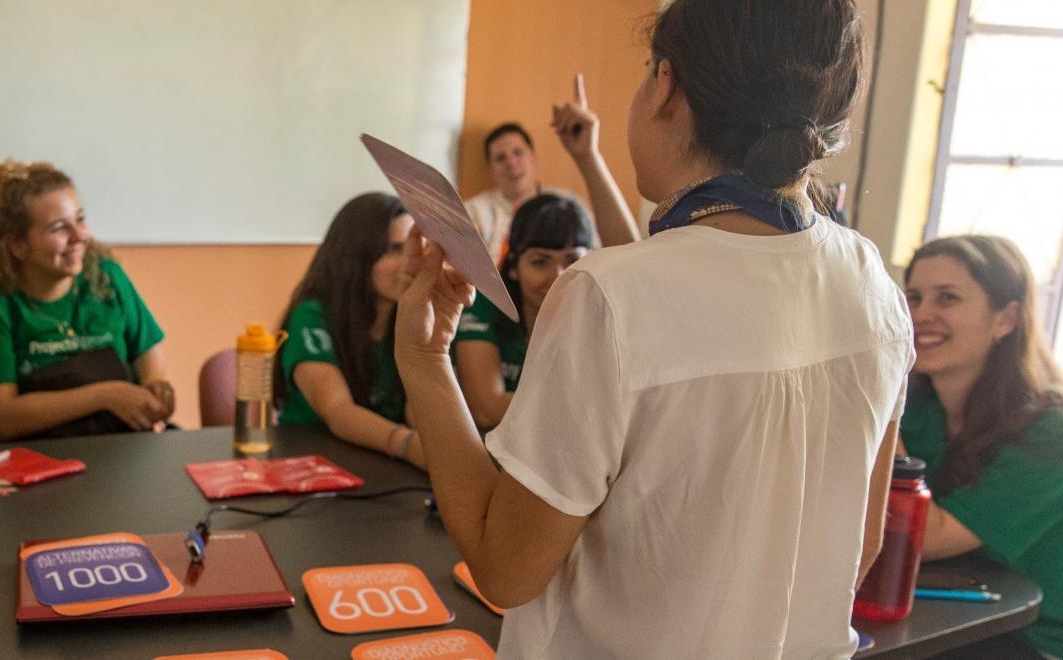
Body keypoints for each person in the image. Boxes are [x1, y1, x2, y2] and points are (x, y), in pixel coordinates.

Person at [394, 0, 913, 656]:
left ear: (666, 87)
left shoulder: (608, 297)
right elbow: (860, 546)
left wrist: (423, 355)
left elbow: (505, 568)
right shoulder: (875, 287)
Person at [900, 235, 1063, 658]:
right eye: (914, 298)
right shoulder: (921, 410)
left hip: (1031, 639)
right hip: (950, 614)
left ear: (1005, 319)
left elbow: (926, 539)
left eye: (948, 298)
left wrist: (875, 417)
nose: (921, 315)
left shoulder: (1052, 433)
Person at [0, 159, 173, 440]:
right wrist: (106, 395)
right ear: (18, 245)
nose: (79, 236)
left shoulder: (106, 275)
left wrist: (154, 387)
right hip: (30, 458)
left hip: (117, 448)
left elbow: (147, 350)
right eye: (59, 228)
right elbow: (4, 418)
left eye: (80, 219)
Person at [274, 193, 425, 467]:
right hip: (311, 466)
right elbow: (337, 410)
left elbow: (419, 411)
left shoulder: (408, 316)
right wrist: (410, 445)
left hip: (383, 465)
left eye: (412, 250)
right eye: (394, 249)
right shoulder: (312, 315)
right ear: (355, 255)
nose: (408, 264)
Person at [454, 194, 595, 430]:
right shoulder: (484, 303)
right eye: (540, 262)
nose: (559, 276)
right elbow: (487, 411)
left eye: (572, 260)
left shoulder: (600, 314)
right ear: (513, 269)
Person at [464, 75, 641, 258]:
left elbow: (619, 255)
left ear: (533, 157)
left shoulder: (567, 204)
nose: (511, 163)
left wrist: (588, 155)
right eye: (501, 158)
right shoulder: (472, 212)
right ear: (490, 169)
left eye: (518, 153)